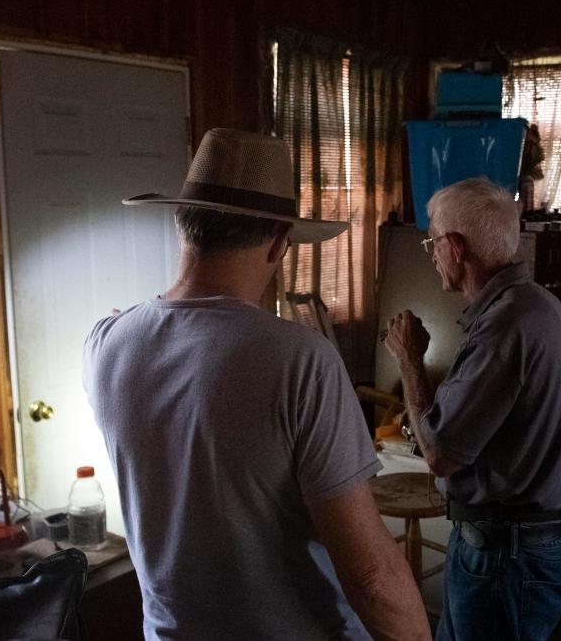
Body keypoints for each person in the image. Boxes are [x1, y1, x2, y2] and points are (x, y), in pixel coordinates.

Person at [83, 128, 431, 641]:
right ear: (279, 242)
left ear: (183, 224)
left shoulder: (105, 341)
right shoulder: (301, 360)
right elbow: (374, 578)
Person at [383, 177, 561, 641]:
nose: (430, 254)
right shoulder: (540, 306)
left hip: (502, 559)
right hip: (518, 548)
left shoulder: (505, 328)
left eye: (432, 241)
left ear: (455, 247)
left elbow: (441, 455)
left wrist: (411, 362)